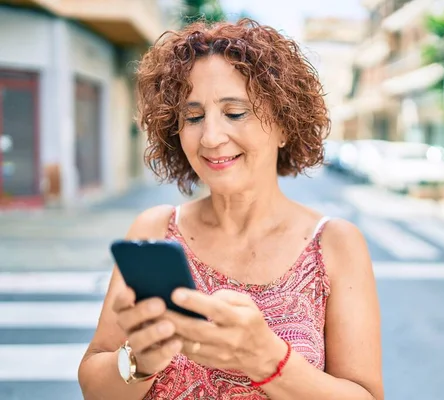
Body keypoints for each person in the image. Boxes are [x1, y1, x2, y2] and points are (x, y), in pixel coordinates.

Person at [77, 18, 383, 400]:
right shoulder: (154, 228)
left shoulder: (335, 244)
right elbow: (95, 386)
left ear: (285, 125)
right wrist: (139, 361)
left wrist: (267, 359)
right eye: (193, 117)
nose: (211, 137)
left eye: (235, 113)